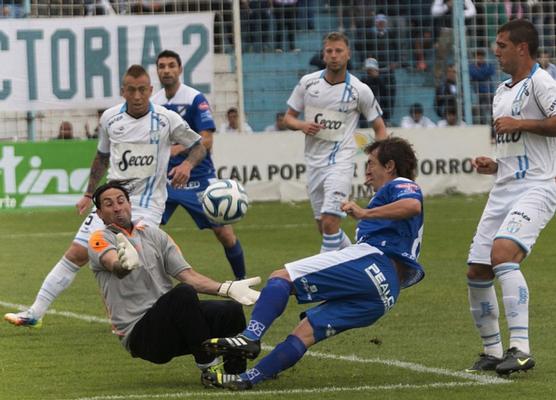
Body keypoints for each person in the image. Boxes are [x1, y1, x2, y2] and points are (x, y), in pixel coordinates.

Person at [200, 137, 425, 390]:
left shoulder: (401, 184)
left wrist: (364, 213)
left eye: (371, 164)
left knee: (282, 277)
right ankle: (246, 379)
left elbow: (412, 205)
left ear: (390, 165)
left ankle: (250, 337)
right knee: (305, 332)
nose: (367, 172)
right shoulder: (387, 204)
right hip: (385, 295)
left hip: (374, 264)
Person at [4, 64, 207, 328]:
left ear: (150, 90)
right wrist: (89, 193)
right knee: (77, 252)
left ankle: (155, 318)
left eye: (142, 90)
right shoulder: (110, 118)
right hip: (110, 201)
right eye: (131, 90)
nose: (137, 96)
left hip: (146, 204)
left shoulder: (167, 119)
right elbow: (102, 155)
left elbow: (198, 146)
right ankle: (35, 312)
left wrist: (188, 165)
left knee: (139, 260)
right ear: (123, 91)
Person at [87, 180, 261, 380]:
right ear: (99, 213)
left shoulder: (154, 235)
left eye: (120, 201)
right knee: (183, 293)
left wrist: (227, 288)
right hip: (141, 335)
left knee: (230, 310)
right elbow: (114, 265)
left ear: (129, 203)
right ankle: (209, 370)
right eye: (109, 204)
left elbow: (189, 276)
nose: (117, 208)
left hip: (173, 322)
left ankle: (235, 374)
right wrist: (124, 264)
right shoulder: (99, 239)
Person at [465, 19, 556, 376]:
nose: (495, 51)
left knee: (503, 253)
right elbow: (516, 145)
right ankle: (492, 350)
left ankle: (520, 349)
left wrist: (522, 124)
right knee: (477, 269)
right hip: (505, 186)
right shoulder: (502, 91)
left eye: (502, 45)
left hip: (540, 185)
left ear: (522, 48)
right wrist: (494, 164)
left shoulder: (542, 82)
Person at [283, 31, 387, 254]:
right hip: (314, 165)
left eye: (339, 51)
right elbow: (288, 118)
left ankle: (323, 277)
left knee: (331, 222)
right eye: (329, 51)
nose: (333, 55)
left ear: (348, 54)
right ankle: (357, 258)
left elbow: (379, 128)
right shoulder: (308, 83)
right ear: (323, 54)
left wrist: (378, 161)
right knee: (324, 227)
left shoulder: (359, 90)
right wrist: (302, 126)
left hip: (340, 163)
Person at [152, 50, 247, 280]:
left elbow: (206, 140)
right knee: (146, 230)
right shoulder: (154, 102)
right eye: (162, 66)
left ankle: (242, 281)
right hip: (164, 179)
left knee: (224, 233)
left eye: (171, 65)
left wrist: (183, 157)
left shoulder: (195, 98)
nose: (166, 70)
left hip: (197, 175)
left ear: (180, 69)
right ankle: (149, 286)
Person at [360, 57, 394, 125]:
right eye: (368, 70)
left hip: (380, 109)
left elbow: (386, 93)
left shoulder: (384, 79)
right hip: (366, 110)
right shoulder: (363, 80)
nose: (370, 72)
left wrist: (377, 77)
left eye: (371, 70)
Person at [469, 49, 496, 125]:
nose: (480, 58)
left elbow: (490, 71)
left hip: (489, 92)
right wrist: (483, 74)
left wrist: (479, 72)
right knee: (479, 112)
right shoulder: (471, 67)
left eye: (481, 57)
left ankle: (492, 127)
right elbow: (475, 74)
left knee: (493, 111)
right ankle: (482, 125)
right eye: (478, 57)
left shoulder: (489, 65)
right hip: (477, 93)